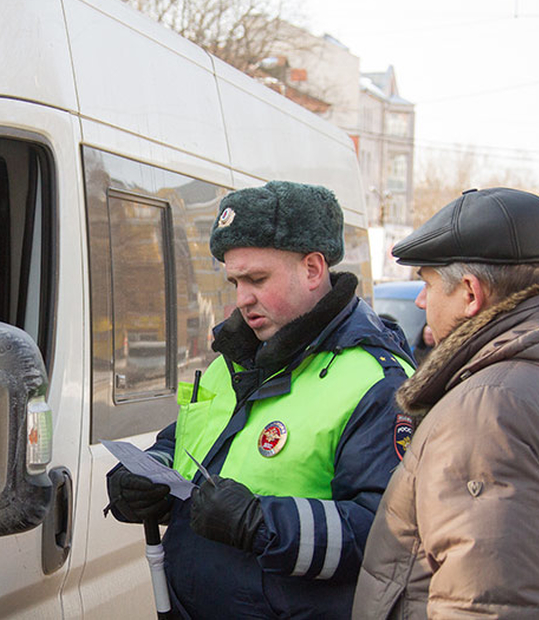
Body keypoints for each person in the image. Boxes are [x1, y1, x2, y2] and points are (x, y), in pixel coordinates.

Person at [105, 181, 415, 619]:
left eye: (257, 279)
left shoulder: (377, 382)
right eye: (234, 281)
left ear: (312, 269)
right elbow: (193, 446)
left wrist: (262, 524)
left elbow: (387, 540)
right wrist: (144, 477)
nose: (242, 298)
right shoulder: (232, 358)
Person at [353, 187, 539, 618]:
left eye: (427, 282)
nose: (421, 300)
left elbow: (492, 604)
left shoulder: (489, 410)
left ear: (470, 294)